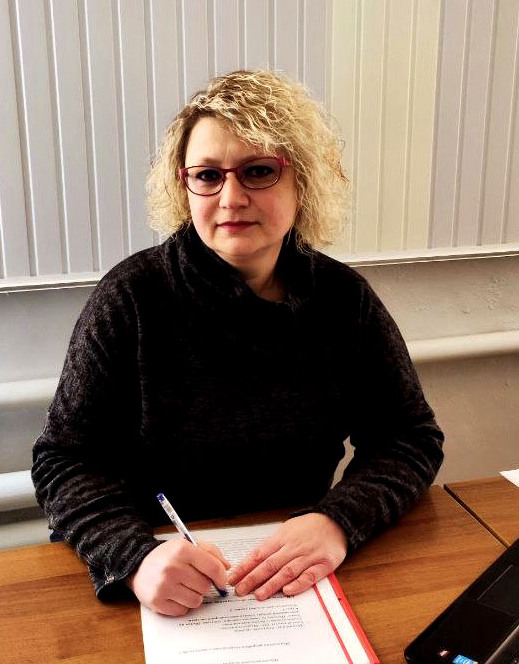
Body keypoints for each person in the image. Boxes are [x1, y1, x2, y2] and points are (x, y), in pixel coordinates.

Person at [32, 69, 444, 617]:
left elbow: (408, 437)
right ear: (184, 187)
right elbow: (63, 460)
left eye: (258, 171)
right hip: (158, 582)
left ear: (302, 181)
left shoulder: (344, 300)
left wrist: (337, 520)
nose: (231, 198)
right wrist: (134, 558)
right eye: (207, 175)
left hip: (290, 576)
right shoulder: (131, 297)